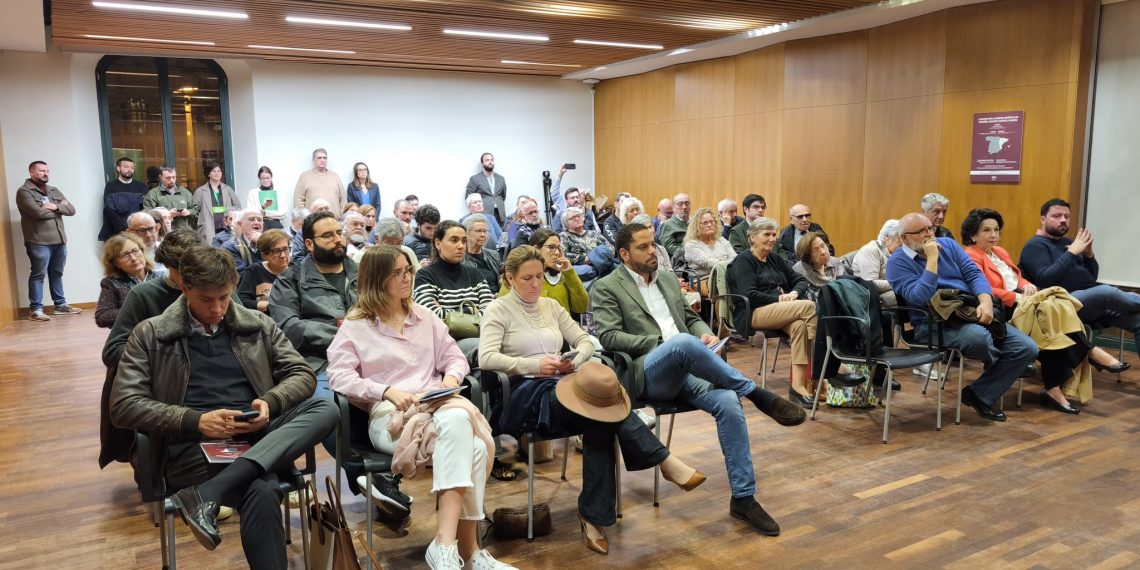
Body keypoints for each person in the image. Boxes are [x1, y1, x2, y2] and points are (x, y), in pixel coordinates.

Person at [109, 245, 338, 569]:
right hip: (192, 445)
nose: (217, 308)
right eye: (206, 299)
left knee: (326, 408)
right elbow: (123, 405)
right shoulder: (150, 334)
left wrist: (269, 403)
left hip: (256, 436)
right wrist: (196, 421)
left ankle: (206, 493)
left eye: (225, 297)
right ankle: (209, 488)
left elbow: (301, 374)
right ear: (185, 289)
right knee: (262, 486)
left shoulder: (257, 324)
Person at [480, 246, 708, 555]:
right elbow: (487, 358)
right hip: (527, 391)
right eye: (527, 279)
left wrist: (576, 358)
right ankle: (662, 462)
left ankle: (594, 516)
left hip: (562, 382)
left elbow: (585, 339)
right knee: (602, 409)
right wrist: (535, 365)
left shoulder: (550, 306)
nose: (536, 284)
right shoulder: (498, 309)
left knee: (600, 414)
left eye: (540, 276)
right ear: (509, 278)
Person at [593, 222, 807, 537]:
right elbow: (609, 336)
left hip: (686, 366)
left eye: (653, 245)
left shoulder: (666, 278)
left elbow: (689, 318)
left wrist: (704, 334)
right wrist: (662, 344)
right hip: (648, 373)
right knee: (680, 344)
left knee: (728, 402)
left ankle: (744, 498)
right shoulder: (607, 286)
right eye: (643, 247)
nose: (653, 251)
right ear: (624, 254)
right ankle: (756, 393)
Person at [327, 245, 514, 570]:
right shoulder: (356, 327)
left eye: (408, 270)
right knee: (464, 428)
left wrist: (449, 379)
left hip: (438, 407)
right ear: (376, 280)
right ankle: (467, 551)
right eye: (397, 273)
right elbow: (338, 377)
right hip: (392, 420)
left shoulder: (425, 317)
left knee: (474, 446)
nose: (406, 278)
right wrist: (384, 391)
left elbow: (455, 358)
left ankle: (450, 548)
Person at [961, 208, 1121, 413]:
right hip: (1003, 309)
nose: (993, 235)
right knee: (1051, 320)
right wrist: (1020, 296)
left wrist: (1028, 286)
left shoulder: (999, 252)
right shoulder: (971, 256)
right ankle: (1088, 352)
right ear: (973, 234)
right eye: (986, 230)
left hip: (1024, 304)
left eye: (996, 230)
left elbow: (1016, 279)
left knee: (1052, 325)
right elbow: (984, 289)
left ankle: (1055, 387)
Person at [887, 212, 1039, 422]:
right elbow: (918, 296)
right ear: (904, 238)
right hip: (932, 323)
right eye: (920, 232)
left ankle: (978, 394)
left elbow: (973, 273)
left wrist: (985, 300)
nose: (929, 235)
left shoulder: (947, 245)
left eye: (930, 228)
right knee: (980, 337)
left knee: (1027, 348)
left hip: (966, 311)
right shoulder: (897, 263)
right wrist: (932, 260)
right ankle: (997, 365)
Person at [99, 230, 205, 469]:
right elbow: (113, 350)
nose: (190, 281)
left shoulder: (211, 289)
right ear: (167, 265)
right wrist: (161, 358)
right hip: (166, 385)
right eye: (182, 274)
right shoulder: (143, 295)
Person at [1020, 198, 1140, 362]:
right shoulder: (1034, 246)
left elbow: (1091, 277)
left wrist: (1089, 255)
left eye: (1066, 216)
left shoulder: (1069, 243)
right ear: (1043, 219)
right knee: (1104, 291)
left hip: (1091, 303)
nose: (1063, 220)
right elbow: (1046, 279)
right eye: (1056, 215)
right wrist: (1071, 253)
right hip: (1061, 304)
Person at [726, 218, 820, 405]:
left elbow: (800, 281)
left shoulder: (775, 259)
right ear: (752, 238)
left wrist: (793, 293)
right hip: (754, 313)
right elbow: (749, 294)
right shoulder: (743, 261)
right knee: (809, 306)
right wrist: (779, 299)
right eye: (766, 234)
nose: (772, 239)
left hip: (780, 310)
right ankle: (818, 376)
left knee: (800, 326)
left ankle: (798, 386)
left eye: (774, 234)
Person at [269, 210, 357, 398]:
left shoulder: (365, 275)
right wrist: (346, 338)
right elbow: (287, 328)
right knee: (326, 405)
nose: (338, 239)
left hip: (371, 357)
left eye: (339, 233)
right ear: (309, 244)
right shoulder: (290, 280)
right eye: (328, 235)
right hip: (319, 363)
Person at [412, 220, 494, 361]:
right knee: (486, 348)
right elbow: (433, 317)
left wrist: (453, 316)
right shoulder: (425, 275)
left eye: (463, 241)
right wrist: (474, 313)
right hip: (447, 343)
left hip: (482, 337)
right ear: (438, 244)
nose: (461, 246)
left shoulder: (474, 273)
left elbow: (491, 310)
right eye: (454, 240)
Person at [16, 160, 81, 321]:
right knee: (38, 274)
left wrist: (55, 207)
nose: (46, 173)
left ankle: (60, 305)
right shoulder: (24, 191)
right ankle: (36, 310)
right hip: (38, 241)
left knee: (57, 273)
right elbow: (37, 213)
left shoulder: (54, 190)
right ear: (31, 172)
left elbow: (71, 209)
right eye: (41, 171)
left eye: (47, 171)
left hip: (59, 240)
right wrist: (59, 208)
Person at [503, 228, 588, 315]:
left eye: (559, 248)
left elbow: (581, 307)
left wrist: (569, 272)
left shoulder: (563, 276)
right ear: (536, 249)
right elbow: (503, 312)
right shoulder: (517, 275)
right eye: (551, 247)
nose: (557, 253)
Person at [631, 213, 702, 310]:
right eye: (645, 228)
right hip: (653, 286)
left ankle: (687, 323)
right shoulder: (637, 252)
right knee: (683, 299)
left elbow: (669, 270)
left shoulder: (661, 249)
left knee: (693, 296)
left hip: (668, 282)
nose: (649, 231)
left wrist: (674, 280)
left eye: (650, 226)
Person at [96, 233, 157, 328]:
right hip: (131, 336)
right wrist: (137, 309)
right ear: (116, 263)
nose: (133, 258)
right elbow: (102, 317)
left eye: (135, 251)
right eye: (124, 255)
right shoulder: (111, 283)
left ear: (142, 251)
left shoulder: (160, 278)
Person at [237, 229, 291, 313]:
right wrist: (271, 306)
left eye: (285, 249)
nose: (283, 255)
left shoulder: (297, 271)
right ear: (264, 255)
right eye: (276, 251)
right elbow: (241, 301)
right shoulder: (254, 271)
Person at [683, 207, 736, 293]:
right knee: (722, 289)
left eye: (711, 221)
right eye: (705, 223)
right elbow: (708, 262)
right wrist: (729, 264)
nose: (709, 225)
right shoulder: (691, 245)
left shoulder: (722, 240)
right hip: (702, 279)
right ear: (696, 226)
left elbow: (735, 258)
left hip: (725, 276)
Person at [99, 156, 149, 241]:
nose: (130, 169)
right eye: (126, 167)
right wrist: (136, 199)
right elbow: (110, 208)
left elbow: (146, 206)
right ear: (118, 168)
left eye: (132, 167)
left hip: (138, 229)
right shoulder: (111, 186)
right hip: (116, 231)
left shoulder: (141, 186)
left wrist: (121, 201)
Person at [792, 231, 851, 301]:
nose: (823, 252)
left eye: (823, 246)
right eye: (816, 250)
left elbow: (847, 286)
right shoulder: (799, 270)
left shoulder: (835, 262)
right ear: (808, 257)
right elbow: (806, 297)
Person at [559, 207, 615, 281]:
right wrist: (588, 259)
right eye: (572, 218)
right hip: (586, 272)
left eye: (578, 216)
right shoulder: (563, 236)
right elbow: (562, 255)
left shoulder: (594, 233)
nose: (577, 219)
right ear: (566, 223)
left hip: (606, 265)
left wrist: (599, 257)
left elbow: (610, 247)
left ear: (583, 218)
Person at [194, 161, 242, 245]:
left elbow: (238, 206)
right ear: (208, 174)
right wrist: (202, 219)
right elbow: (194, 210)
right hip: (208, 227)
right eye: (213, 171)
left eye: (218, 171)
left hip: (226, 226)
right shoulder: (200, 191)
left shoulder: (228, 189)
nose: (217, 173)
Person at [143, 165, 197, 232]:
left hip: (184, 232)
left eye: (174, 177)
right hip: (163, 232)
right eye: (168, 178)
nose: (171, 180)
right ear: (160, 177)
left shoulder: (185, 192)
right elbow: (147, 214)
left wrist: (189, 212)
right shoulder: (153, 194)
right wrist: (167, 215)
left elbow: (195, 209)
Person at [293, 148, 345, 214]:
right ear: (313, 160)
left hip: (333, 220)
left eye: (324, 158)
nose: (322, 160)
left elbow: (343, 200)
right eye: (319, 158)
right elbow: (298, 200)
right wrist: (301, 218)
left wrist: (342, 215)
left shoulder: (335, 176)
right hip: (312, 221)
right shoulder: (305, 176)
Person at [549, 165, 599, 233]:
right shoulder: (562, 211)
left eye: (577, 197)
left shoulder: (588, 212)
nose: (575, 199)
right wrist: (560, 175)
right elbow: (554, 192)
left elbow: (596, 232)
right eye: (572, 198)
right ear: (566, 201)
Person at [465, 152, 507, 225]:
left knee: (501, 234)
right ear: (482, 163)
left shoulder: (501, 178)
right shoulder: (475, 179)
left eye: (491, 160)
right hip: (484, 214)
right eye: (487, 160)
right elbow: (469, 198)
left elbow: (503, 196)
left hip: (500, 214)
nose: (490, 162)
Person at [464, 214, 501, 293]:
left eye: (484, 231)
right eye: (478, 231)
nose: (483, 235)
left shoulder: (493, 255)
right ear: (466, 233)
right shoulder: (460, 259)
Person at [222, 208, 265, 275]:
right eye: (251, 219)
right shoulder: (229, 247)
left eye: (259, 220)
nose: (257, 222)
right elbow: (243, 275)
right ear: (240, 224)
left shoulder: (270, 241)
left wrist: (264, 243)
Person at [248, 166, 285, 230]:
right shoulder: (253, 193)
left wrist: (265, 213)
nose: (266, 181)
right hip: (259, 225)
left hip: (276, 225)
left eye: (268, 178)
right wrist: (262, 206)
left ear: (271, 178)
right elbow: (251, 212)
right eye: (263, 178)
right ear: (259, 179)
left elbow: (283, 213)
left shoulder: (278, 192)